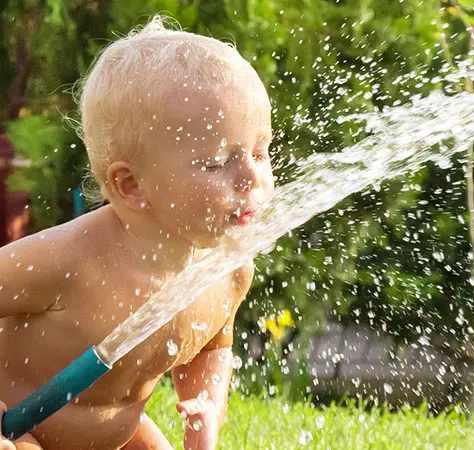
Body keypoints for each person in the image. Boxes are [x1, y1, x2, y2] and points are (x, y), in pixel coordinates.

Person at [0, 14, 274, 450]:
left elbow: (211, 346)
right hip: (18, 429)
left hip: (116, 437)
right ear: (132, 185)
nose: (251, 178)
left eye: (261, 152)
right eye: (218, 162)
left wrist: (205, 403)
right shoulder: (67, 260)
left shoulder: (228, 271)